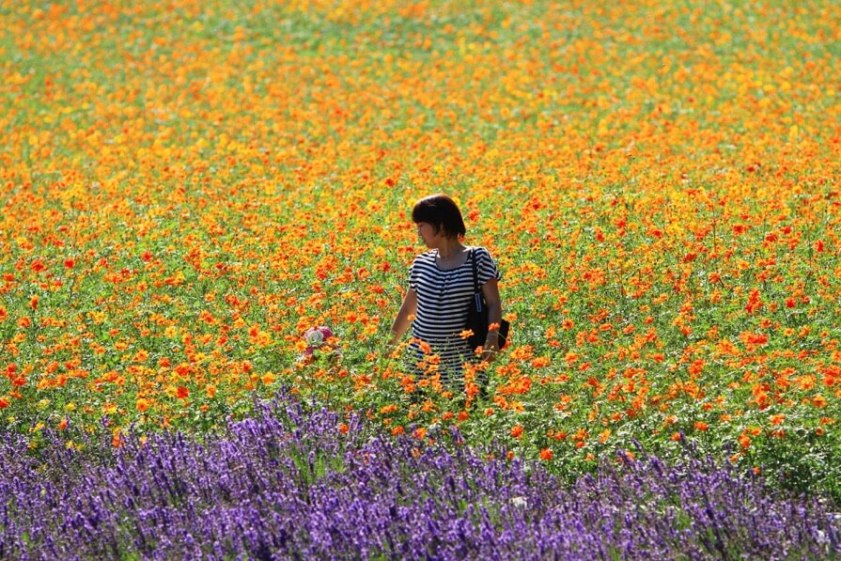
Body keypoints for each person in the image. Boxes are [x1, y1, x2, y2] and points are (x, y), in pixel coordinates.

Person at [388, 194, 503, 391]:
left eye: (422, 225)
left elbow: (493, 303)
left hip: (464, 366)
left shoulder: (478, 258)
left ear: (440, 225)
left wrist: (492, 338)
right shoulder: (421, 263)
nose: (418, 232)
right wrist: (388, 347)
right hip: (421, 366)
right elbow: (409, 308)